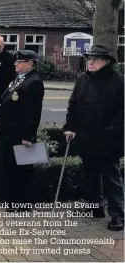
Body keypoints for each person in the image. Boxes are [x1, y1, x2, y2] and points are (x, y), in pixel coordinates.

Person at [62, 44, 124, 231]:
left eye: (95, 59)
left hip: (108, 140)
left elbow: (123, 113)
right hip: (87, 137)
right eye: (89, 59)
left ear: (107, 61)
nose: (91, 62)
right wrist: (70, 127)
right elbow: (73, 105)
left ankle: (118, 215)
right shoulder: (82, 79)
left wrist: (111, 132)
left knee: (111, 179)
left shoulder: (119, 81)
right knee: (90, 176)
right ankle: (94, 207)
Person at [0, 49, 44, 211]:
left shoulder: (34, 82)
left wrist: (28, 136)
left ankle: (21, 202)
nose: (16, 64)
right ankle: (10, 198)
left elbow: (32, 113)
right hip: (9, 132)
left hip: (20, 134)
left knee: (21, 169)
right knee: (10, 166)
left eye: (20, 62)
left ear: (30, 64)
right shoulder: (20, 79)